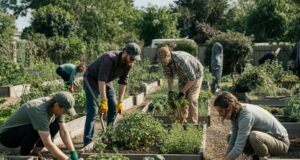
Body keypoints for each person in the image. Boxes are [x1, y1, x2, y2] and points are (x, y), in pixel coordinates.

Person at [83, 42, 141, 146]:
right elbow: (101, 80)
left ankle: (109, 134)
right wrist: (104, 101)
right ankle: (87, 142)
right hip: (91, 79)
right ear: (125, 53)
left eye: (134, 59)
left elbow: (123, 82)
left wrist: (120, 101)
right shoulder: (109, 58)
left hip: (106, 81)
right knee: (93, 111)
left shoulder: (129, 64)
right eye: (132, 58)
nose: (133, 61)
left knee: (113, 105)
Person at [0, 91, 79, 160]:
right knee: (35, 128)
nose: (64, 113)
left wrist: (73, 153)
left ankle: (35, 152)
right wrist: (67, 159)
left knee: (55, 125)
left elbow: (64, 131)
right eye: (64, 111)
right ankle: (25, 155)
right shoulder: (39, 110)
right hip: (8, 138)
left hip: (22, 133)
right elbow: (47, 143)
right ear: (56, 105)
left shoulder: (56, 107)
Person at [213, 92, 290, 160]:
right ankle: (254, 156)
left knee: (255, 136)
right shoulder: (236, 111)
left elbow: (239, 147)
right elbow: (233, 138)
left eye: (220, 111)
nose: (220, 114)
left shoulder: (245, 116)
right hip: (268, 140)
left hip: (281, 143)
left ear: (229, 107)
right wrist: (225, 156)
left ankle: (263, 157)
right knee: (230, 136)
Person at [156, 45, 204, 124]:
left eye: (164, 61)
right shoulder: (165, 63)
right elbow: (170, 76)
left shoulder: (181, 59)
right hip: (183, 77)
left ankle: (193, 124)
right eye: (161, 62)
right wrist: (170, 91)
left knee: (192, 98)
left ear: (169, 56)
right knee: (181, 100)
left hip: (196, 74)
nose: (163, 64)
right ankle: (181, 122)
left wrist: (182, 92)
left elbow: (192, 78)